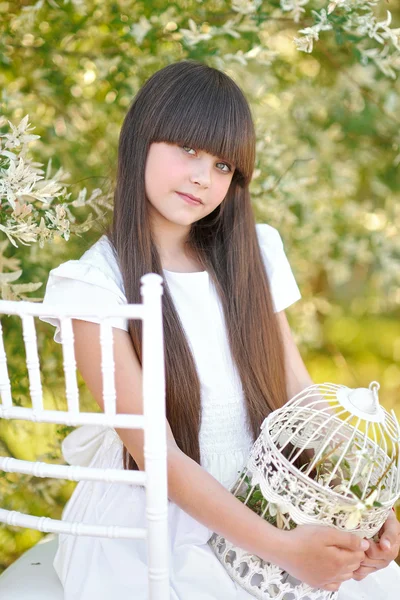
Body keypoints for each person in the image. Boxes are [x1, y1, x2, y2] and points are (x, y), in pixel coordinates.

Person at [40, 60, 400, 600]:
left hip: (267, 491)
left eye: (224, 165)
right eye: (187, 149)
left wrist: (361, 513)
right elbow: (158, 455)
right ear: (141, 138)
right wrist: (282, 550)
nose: (203, 177)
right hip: (159, 516)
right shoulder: (94, 283)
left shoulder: (252, 252)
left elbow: (298, 396)